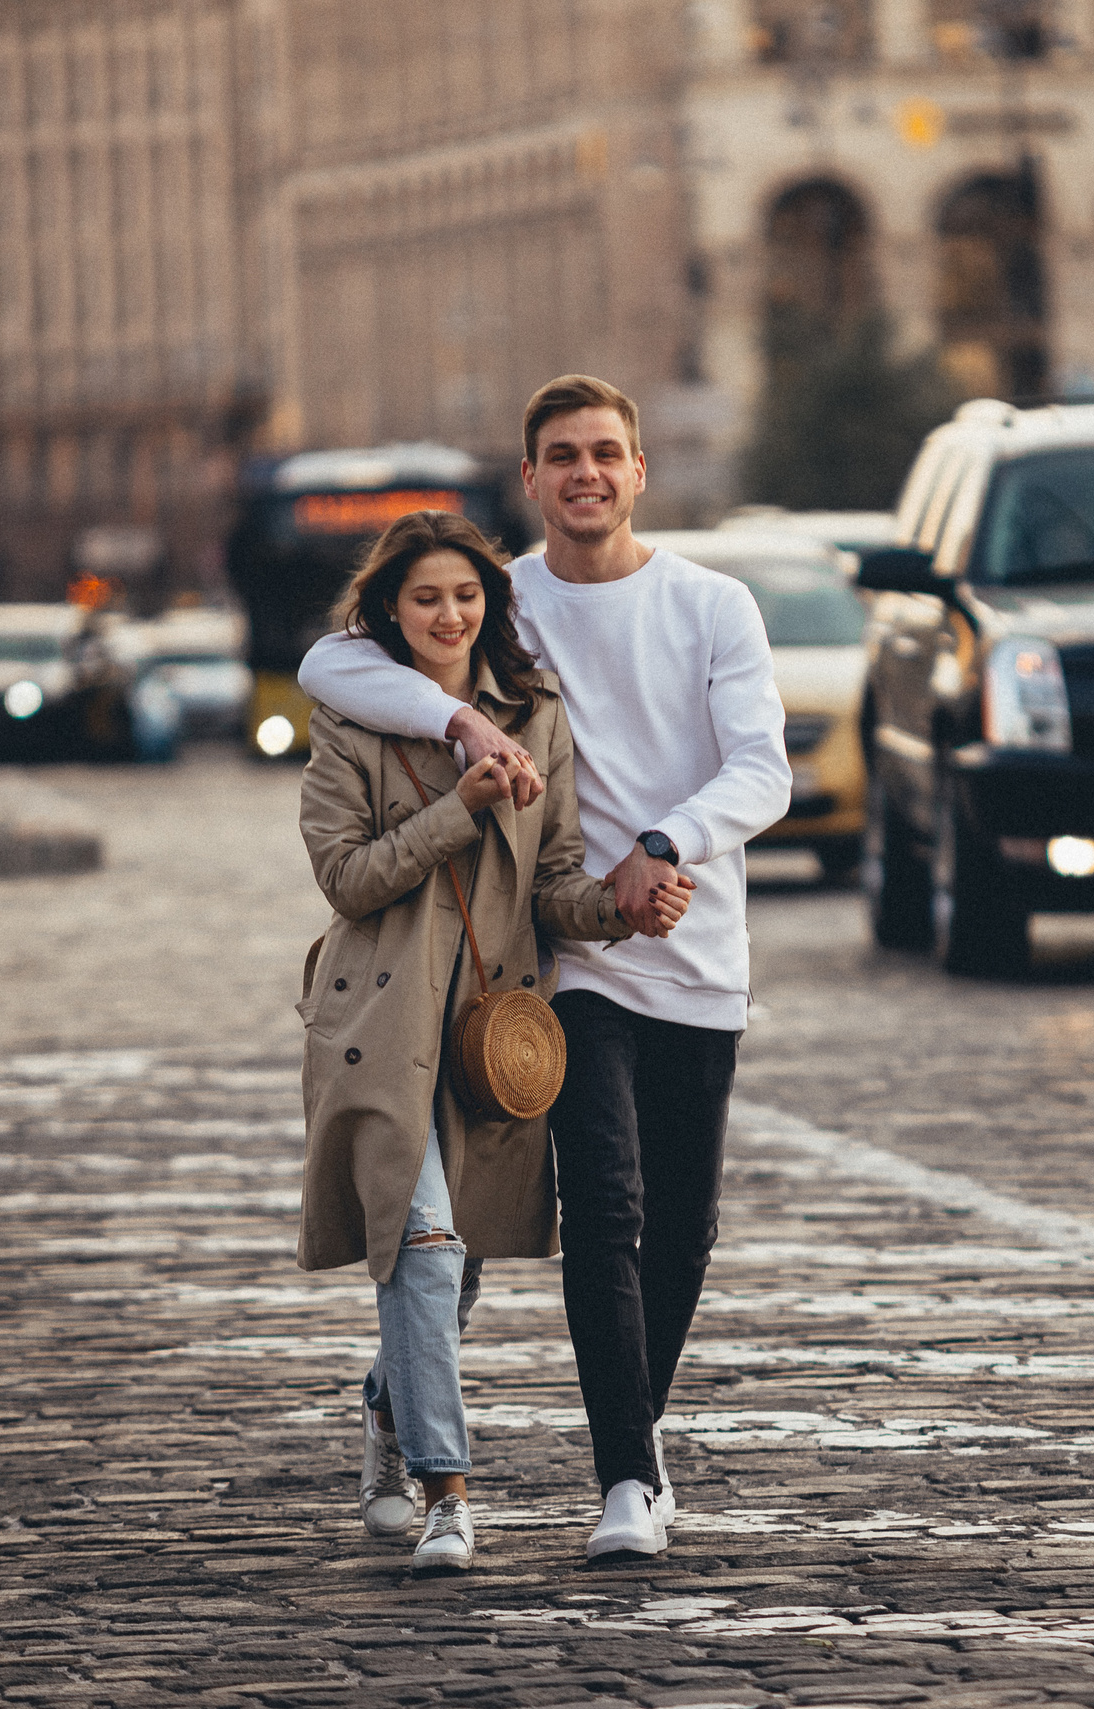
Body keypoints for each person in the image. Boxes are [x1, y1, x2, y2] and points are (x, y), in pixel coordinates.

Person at [298, 375, 791, 1561]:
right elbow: (331, 663)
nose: (586, 473)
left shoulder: (712, 602)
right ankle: (625, 1479)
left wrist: (666, 843)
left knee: (682, 1230)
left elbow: (763, 768)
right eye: (562, 455)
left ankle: (636, 1435)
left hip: (687, 939)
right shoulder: (502, 600)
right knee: (606, 1207)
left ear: (637, 471)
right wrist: (466, 722)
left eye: (605, 453)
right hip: (563, 960)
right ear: (529, 478)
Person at [293, 508, 675, 1573]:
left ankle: (386, 1406)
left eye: (466, 595)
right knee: (421, 1248)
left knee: (453, 1274)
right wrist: (457, 807)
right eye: (426, 597)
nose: (449, 614)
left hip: (490, 1035)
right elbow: (346, 876)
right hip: (379, 1022)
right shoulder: (350, 719)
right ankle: (447, 1496)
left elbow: (551, 883)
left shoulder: (534, 714)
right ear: (391, 609)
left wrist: (618, 907)